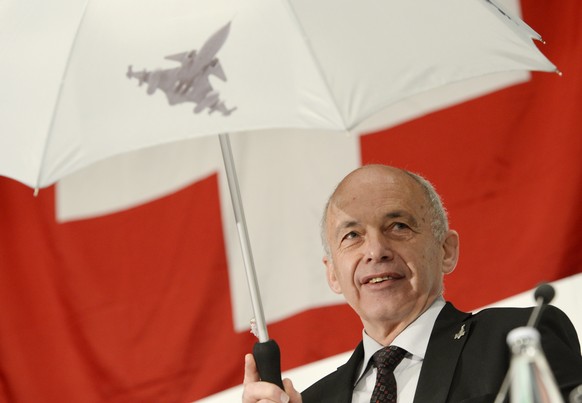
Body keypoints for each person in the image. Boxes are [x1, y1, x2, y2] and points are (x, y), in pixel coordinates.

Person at [242, 164, 582, 403]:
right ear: (333, 274)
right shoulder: (313, 401)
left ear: (446, 251)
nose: (375, 251)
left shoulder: (517, 339)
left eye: (399, 226)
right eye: (352, 235)